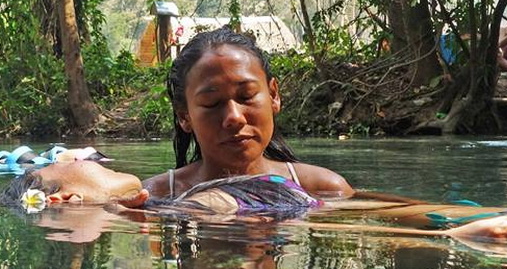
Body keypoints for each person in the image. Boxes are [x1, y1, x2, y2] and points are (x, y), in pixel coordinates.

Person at [0, 157, 507, 245]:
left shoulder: (162, 207)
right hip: (266, 213)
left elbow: (346, 213)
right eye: (89, 163)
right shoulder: (168, 205)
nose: (96, 160)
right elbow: (342, 223)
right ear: (67, 194)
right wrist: (466, 232)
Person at [142, 27, 353, 200]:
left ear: (273, 96)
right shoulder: (153, 196)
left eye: (246, 96)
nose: (234, 117)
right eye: (212, 103)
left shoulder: (325, 188)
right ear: (184, 117)